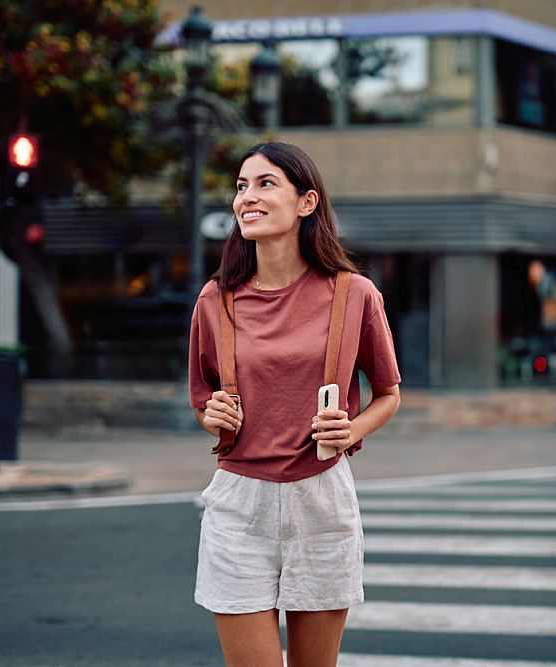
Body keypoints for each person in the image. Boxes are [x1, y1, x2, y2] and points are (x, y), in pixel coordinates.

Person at [187, 141, 402, 667]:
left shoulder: (356, 296)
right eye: (241, 186)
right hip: (239, 504)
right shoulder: (216, 300)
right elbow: (203, 400)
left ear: (306, 203)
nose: (247, 198)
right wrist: (211, 415)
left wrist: (351, 431)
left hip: (322, 498)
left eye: (264, 184)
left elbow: (389, 393)